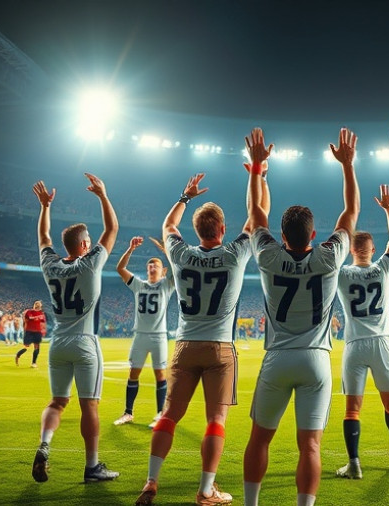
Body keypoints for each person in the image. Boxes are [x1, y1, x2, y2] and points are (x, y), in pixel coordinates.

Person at [241, 127, 359, 506]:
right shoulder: (328, 257)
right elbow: (351, 213)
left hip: (277, 357)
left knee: (259, 440)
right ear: (314, 234)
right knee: (310, 445)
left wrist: (258, 169)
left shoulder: (268, 255)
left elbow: (255, 214)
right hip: (316, 359)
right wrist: (348, 166)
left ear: (282, 234)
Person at [135, 172, 254, 506]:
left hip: (185, 344)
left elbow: (168, 225)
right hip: (220, 348)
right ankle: (206, 490)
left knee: (169, 415)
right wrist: (258, 175)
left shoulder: (180, 254)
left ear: (197, 229)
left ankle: (151, 482)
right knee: (216, 420)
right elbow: (256, 218)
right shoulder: (233, 255)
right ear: (222, 229)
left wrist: (185, 197)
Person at [30, 173, 119, 483]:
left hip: (57, 343)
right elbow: (112, 229)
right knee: (89, 405)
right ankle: (92, 466)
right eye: (88, 240)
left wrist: (45, 207)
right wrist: (103, 195)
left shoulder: (50, 264)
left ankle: (44, 445)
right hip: (84, 342)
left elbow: (44, 237)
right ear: (84, 245)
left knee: (57, 402)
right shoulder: (89, 263)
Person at [334, 183, 389, 480]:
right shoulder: (383, 269)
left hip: (355, 345)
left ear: (351, 250)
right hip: (382, 343)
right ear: (373, 250)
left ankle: (354, 464)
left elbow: (333, 249)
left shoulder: (341, 273)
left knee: (353, 409)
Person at [114, 236, 175, 430]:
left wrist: (166, 251)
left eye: (156, 265)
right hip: (140, 335)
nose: (152, 267)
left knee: (160, 374)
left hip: (158, 336)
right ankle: (128, 412)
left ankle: (160, 413)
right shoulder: (138, 285)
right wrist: (130, 249)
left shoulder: (166, 285)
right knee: (134, 372)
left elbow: (178, 267)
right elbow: (120, 268)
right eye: (150, 265)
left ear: (163, 271)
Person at [16, 301, 47, 367]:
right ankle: (18, 355)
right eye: (37, 304)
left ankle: (34, 363)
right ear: (35, 305)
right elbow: (29, 318)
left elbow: (43, 322)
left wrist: (43, 330)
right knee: (26, 347)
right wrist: (38, 317)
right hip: (29, 331)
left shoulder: (41, 313)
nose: (39, 306)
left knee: (37, 347)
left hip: (37, 331)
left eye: (39, 305)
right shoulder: (29, 311)